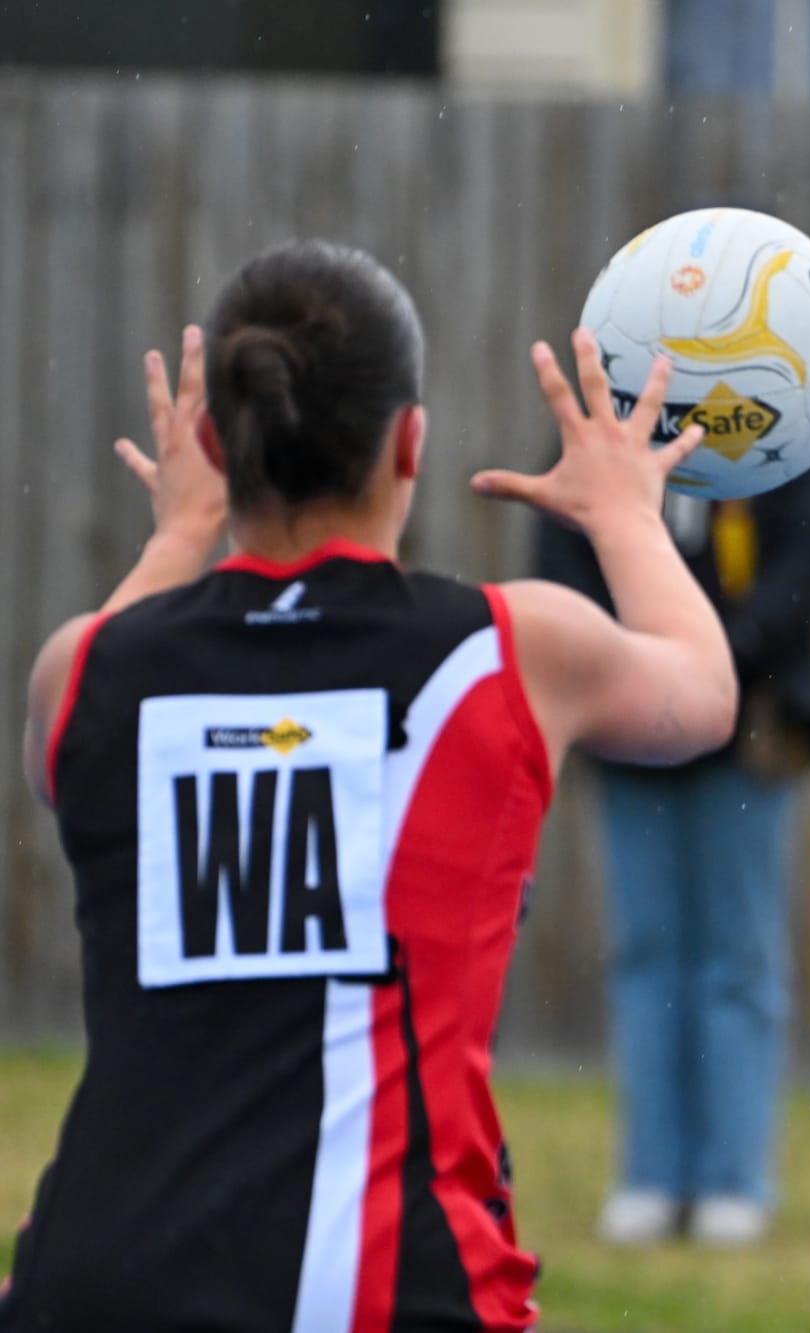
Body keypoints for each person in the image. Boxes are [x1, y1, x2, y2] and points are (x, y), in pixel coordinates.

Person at [0, 239, 736, 1331]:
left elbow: (86, 705)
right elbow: (702, 698)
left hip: (97, 1276)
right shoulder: (500, 650)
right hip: (377, 1285)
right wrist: (626, 510)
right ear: (410, 442)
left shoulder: (82, 674)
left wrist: (180, 534)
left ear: (213, 442)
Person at [534, 438, 810, 1248]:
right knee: (647, 952)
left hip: (749, 719)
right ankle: (650, 1174)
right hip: (627, 719)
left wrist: (717, 657)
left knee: (735, 956)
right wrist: (630, 663)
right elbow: (559, 555)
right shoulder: (602, 413)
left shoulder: (789, 401)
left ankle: (732, 1181)